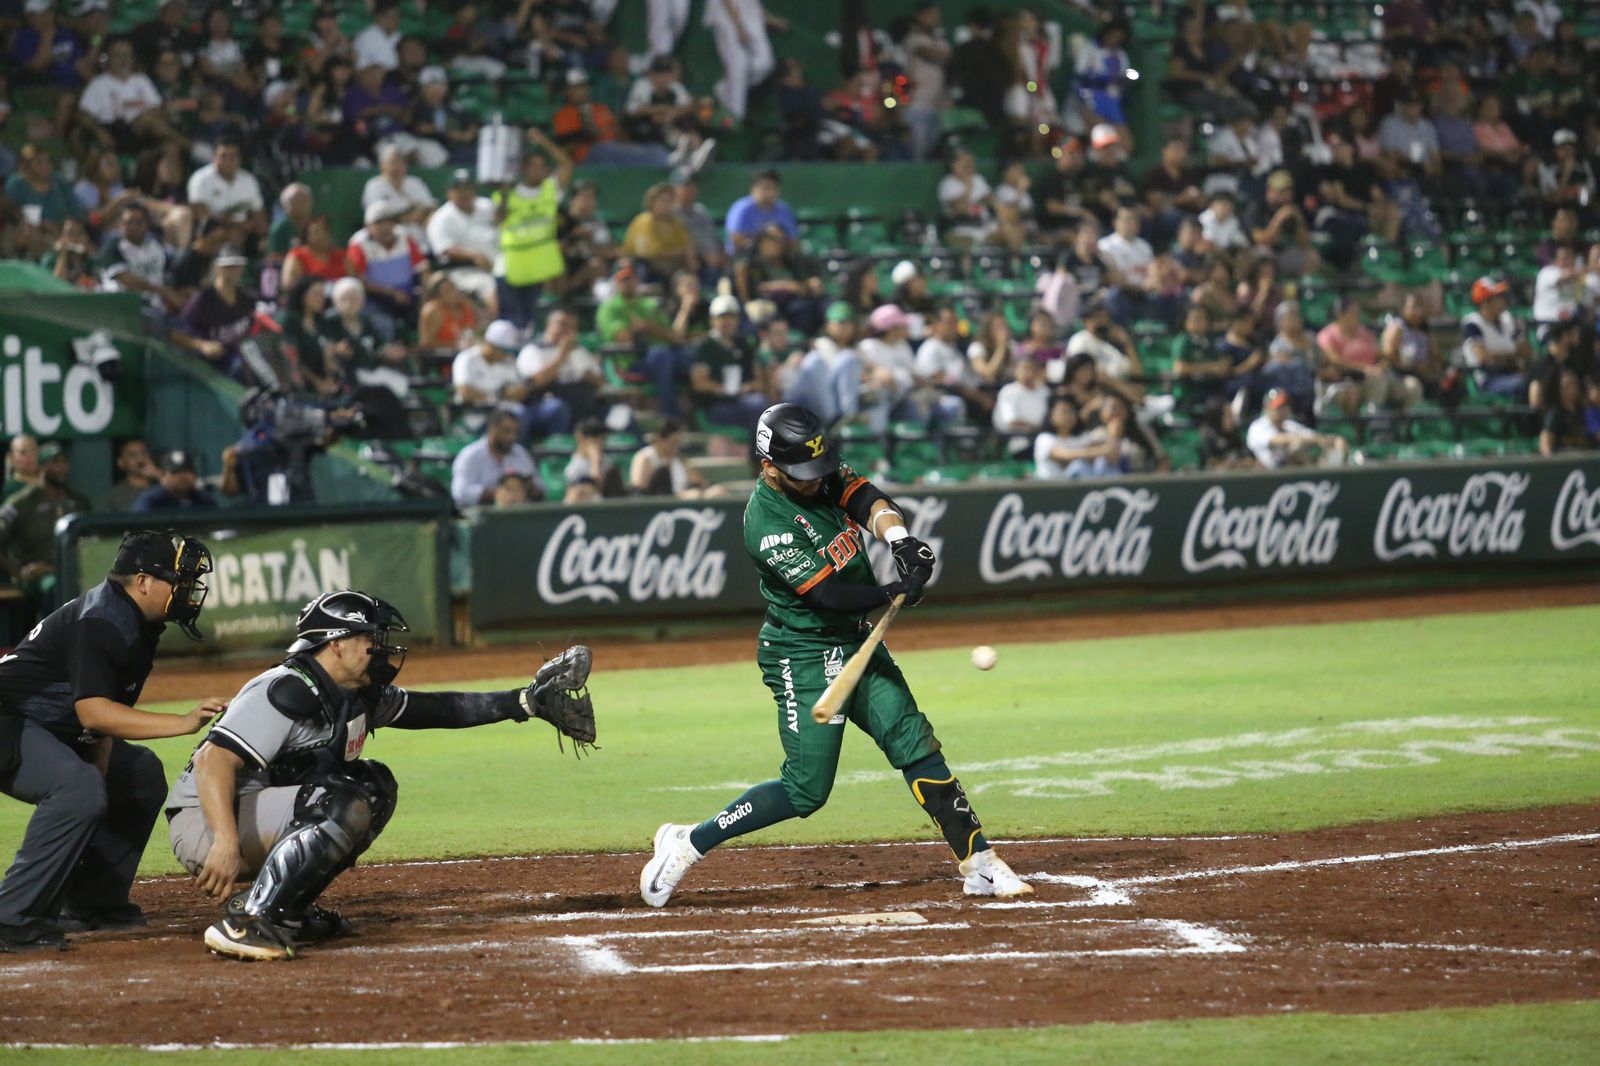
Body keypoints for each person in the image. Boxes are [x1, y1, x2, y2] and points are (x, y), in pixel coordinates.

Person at [640, 404, 1032, 907]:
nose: (816, 481)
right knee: (806, 790)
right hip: (801, 652)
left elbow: (866, 497)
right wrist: (893, 589)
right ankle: (688, 842)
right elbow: (825, 595)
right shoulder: (765, 521)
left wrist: (900, 540)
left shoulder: (815, 472)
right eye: (803, 475)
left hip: (856, 642)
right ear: (768, 468)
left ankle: (979, 862)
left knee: (914, 744)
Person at [167, 590, 596, 960]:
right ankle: (251, 919)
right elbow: (213, 762)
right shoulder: (287, 688)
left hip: (250, 812)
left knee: (373, 786)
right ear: (335, 644)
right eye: (368, 637)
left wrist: (521, 702)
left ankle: (288, 907)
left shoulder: (354, 693)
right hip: (206, 820)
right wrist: (224, 841)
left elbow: (438, 709)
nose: (379, 646)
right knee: (337, 801)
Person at [0, 532, 220, 953]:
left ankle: (92, 903)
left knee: (137, 773)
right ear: (142, 582)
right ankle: (11, 916)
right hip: (8, 721)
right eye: (178, 580)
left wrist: (100, 771)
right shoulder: (104, 619)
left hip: (43, 725)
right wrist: (183, 721)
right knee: (77, 789)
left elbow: (101, 721)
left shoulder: (137, 619)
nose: (187, 591)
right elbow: (94, 712)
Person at [496, 128, 573, 330]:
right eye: (533, 166)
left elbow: (566, 164)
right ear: (523, 169)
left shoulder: (550, 189)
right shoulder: (508, 192)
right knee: (519, 321)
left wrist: (544, 141)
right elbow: (499, 219)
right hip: (517, 263)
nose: (538, 170)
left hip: (545, 262)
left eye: (542, 166)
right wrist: (504, 193)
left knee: (546, 314)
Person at [690, 294, 769, 435]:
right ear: (712, 320)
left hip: (743, 399)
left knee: (766, 406)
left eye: (731, 317)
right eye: (722, 317)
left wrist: (747, 387)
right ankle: (757, 454)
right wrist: (725, 389)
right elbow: (699, 384)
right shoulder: (704, 346)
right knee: (757, 407)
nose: (727, 322)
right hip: (716, 405)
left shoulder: (744, 344)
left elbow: (759, 379)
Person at [450, 406, 539, 509]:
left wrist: (526, 488)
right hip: (479, 515)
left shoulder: (520, 453)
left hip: (518, 514)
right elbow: (460, 492)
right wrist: (496, 493)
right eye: (506, 431)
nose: (511, 437)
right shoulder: (470, 455)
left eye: (515, 432)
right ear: (492, 428)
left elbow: (539, 488)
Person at [705, 0, 781, 121]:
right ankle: (734, 116)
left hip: (749, 15)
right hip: (728, 16)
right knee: (738, 66)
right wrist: (738, 26)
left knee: (765, 63)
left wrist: (769, 18)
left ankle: (725, 88)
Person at [1459, 277, 1533, 400]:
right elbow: (1484, 358)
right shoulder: (1472, 324)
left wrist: (1504, 357)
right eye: (1497, 297)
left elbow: (1527, 353)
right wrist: (1512, 357)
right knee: (1525, 384)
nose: (1503, 301)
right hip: (1488, 379)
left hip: (1513, 373)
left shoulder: (1508, 319)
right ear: (1485, 302)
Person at [1246, 388, 1348, 469]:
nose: (1283, 410)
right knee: (1296, 446)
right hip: (1270, 475)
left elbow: (1315, 436)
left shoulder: (1290, 425)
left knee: (1338, 442)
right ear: (1267, 408)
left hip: (1298, 470)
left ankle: (1334, 477)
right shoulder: (1258, 426)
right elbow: (1279, 440)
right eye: (1278, 407)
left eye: (1285, 405)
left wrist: (1329, 441)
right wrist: (1310, 440)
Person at [629, 418, 715, 497]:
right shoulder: (645, 457)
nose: (676, 447)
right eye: (673, 442)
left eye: (678, 443)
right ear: (660, 439)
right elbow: (639, 489)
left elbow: (700, 483)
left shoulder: (680, 460)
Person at [724, 170, 798, 256]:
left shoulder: (784, 210)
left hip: (778, 257)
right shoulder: (742, 209)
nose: (768, 192)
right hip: (745, 257)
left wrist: (778, 239)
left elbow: (794, 241)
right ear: (753, 189)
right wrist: (763, 239)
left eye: (773, 188)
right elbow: (736, 241)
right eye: (765, 187)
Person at [104, 437, 160, 512]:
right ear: (121, 462)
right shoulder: (113, 497)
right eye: (132, 455)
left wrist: (158, 475)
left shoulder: (164, 489)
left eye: (144, 453)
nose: (140, 459)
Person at [2, 436, 41, 501]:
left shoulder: (51, 481)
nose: (31, 456)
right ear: (11, 457)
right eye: (23, 453)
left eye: (34, 451)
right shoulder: (10, 489)